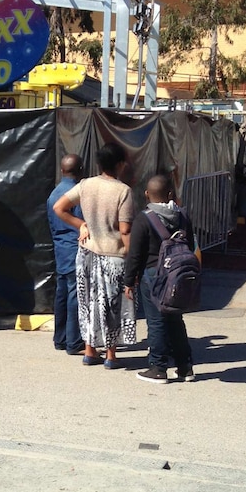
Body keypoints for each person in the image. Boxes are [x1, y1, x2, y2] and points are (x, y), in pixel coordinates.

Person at [53, 141, 136, 368]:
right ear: (119, 164)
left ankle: (90, 351)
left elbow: (59, 207)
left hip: (87, 252)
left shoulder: (86, 185)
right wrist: (133, 260)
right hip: (114, 255)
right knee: (112, 305)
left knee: (88, 301)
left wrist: (81, 224)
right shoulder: (123, 191)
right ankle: (110, 355)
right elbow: (125, 229)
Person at [123, 173, 195, 384]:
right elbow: (190, 245)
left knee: (156, 321)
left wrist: (129, 281)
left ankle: (158, 367)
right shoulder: (183, 216)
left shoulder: (144, 219)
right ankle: (185, 367)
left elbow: (135, 254)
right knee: (175, 320)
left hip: (153, 275)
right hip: (177, 274)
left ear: (147, 194)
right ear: (171, 194)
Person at [46, 154, 85, 354]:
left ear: (62, 170)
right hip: (74, 249)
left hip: (60, 249)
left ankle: (60, 339)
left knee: (62, 293)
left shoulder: (54, 194)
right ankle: (74, 341)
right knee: (75, 295)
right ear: (81, 171)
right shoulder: (76, 194)